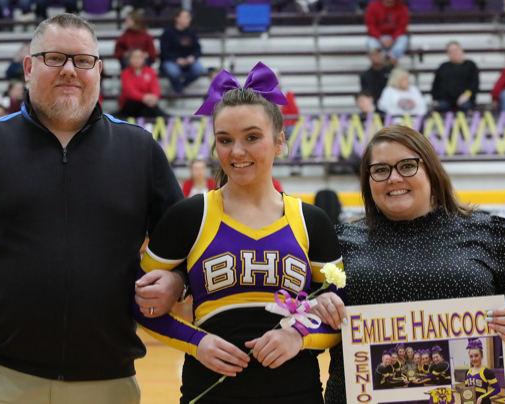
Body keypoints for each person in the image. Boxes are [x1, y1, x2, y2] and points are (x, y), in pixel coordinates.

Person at [0, 13, 187, 404]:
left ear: (99, 70)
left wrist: (179, 282)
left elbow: (186, 246)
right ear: (29, 66)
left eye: (83, 60)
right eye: (54, 58)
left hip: (109, 384)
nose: (70, 70)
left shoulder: (140, 151)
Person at [132, 62, 345, 404]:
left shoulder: (312, 221)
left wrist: (300, 336)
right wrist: (195, 342)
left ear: (279, 141)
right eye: (225, 140)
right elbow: (142, 304)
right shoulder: (189, 216)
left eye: (252, 137)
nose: (238, 152)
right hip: (209, 394)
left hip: (298, 394)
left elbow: (340, 313)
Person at [316, 125, 505, 404]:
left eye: (407, 166)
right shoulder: (338, 243)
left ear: (432, 171)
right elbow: (309, 322)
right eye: (380, 170)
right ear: (368, 180)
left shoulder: (492, 234)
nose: (394, 178)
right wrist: (317, 309)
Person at [160, 8, 204, 94]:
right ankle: (178, 88)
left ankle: (180, 86)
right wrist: (176, 60)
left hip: (188, 61)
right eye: (186, 17)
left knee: (199, 69)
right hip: (172, 61)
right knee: (173, 72)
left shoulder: (191, 32)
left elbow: (197, 49)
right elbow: (164, 51)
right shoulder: (168, 33)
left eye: (189, 17)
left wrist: (192, 57)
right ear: (177, 18)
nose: (189, 19)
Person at [116, 48, 166, 119]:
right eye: (135, 57)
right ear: (130, 59)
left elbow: (155, 87)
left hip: (147, 104)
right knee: (140, 106)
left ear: (143, 59)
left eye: (139, 57)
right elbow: (129, 91)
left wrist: (155, 96)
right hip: (131, 105)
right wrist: (144, 97)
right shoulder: (125, 73)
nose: (137, 60)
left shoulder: (150, 71)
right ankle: (167, 118)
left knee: (147, 109)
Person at [432, 41, 479, 112]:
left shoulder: (470, 65)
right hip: (445, 100)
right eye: (451, 51)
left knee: (465, 106)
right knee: (440, 106)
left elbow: (474, 84)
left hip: (465, 99)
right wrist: (435, 99)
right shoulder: (443, 67)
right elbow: (435, 85)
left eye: (455, 50)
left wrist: (466, 95)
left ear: (461, 51)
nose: (454, 53)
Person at [365, 0, 409, 65]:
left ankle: (391, 60)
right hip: (379, 37)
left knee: (403, 40)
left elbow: (402, 27)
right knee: (371, 43)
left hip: (395, 37)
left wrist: (392, 39)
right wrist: (380, 39)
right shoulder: (373, 7)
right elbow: (371, 26)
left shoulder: (402, 7)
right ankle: (381, 61)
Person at [465, 339, 501, 404]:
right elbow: (466, 390)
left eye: (476, 355)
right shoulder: (467, 372)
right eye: (471, 356)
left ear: (482, 356)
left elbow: (497, 389)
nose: (473, 359)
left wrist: (482, 397)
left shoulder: (486, 372)